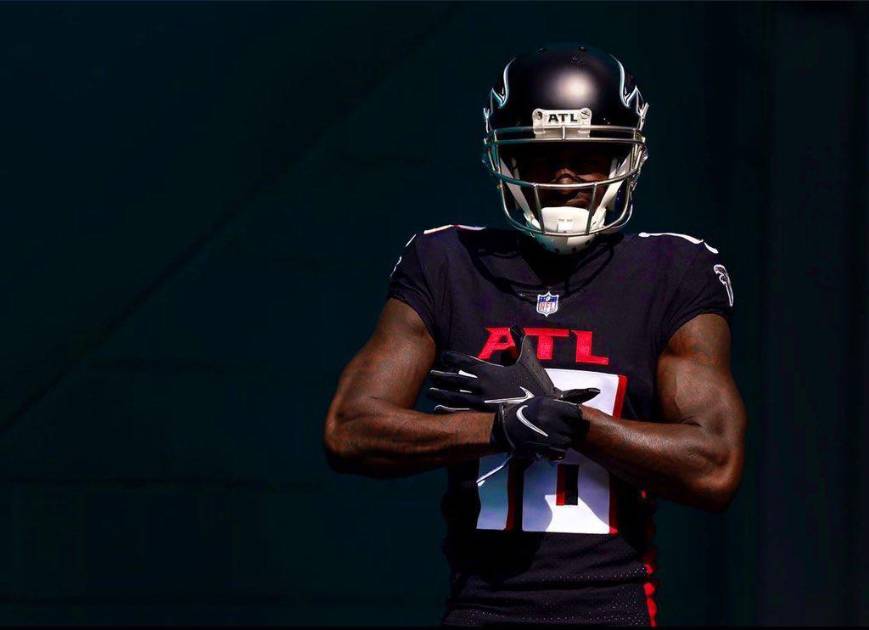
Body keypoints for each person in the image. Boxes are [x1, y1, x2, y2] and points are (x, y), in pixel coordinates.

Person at [323, 43, 746, 626]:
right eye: (541, 155)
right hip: (481, 609)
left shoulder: (673, 272)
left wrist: (573, 422)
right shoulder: (447, 262)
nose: (565, 177)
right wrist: (504, 426)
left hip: (611, 607)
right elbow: (350, 430)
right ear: (507, 159)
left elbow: (715, 466)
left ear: (627, 157)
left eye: (588, 155)